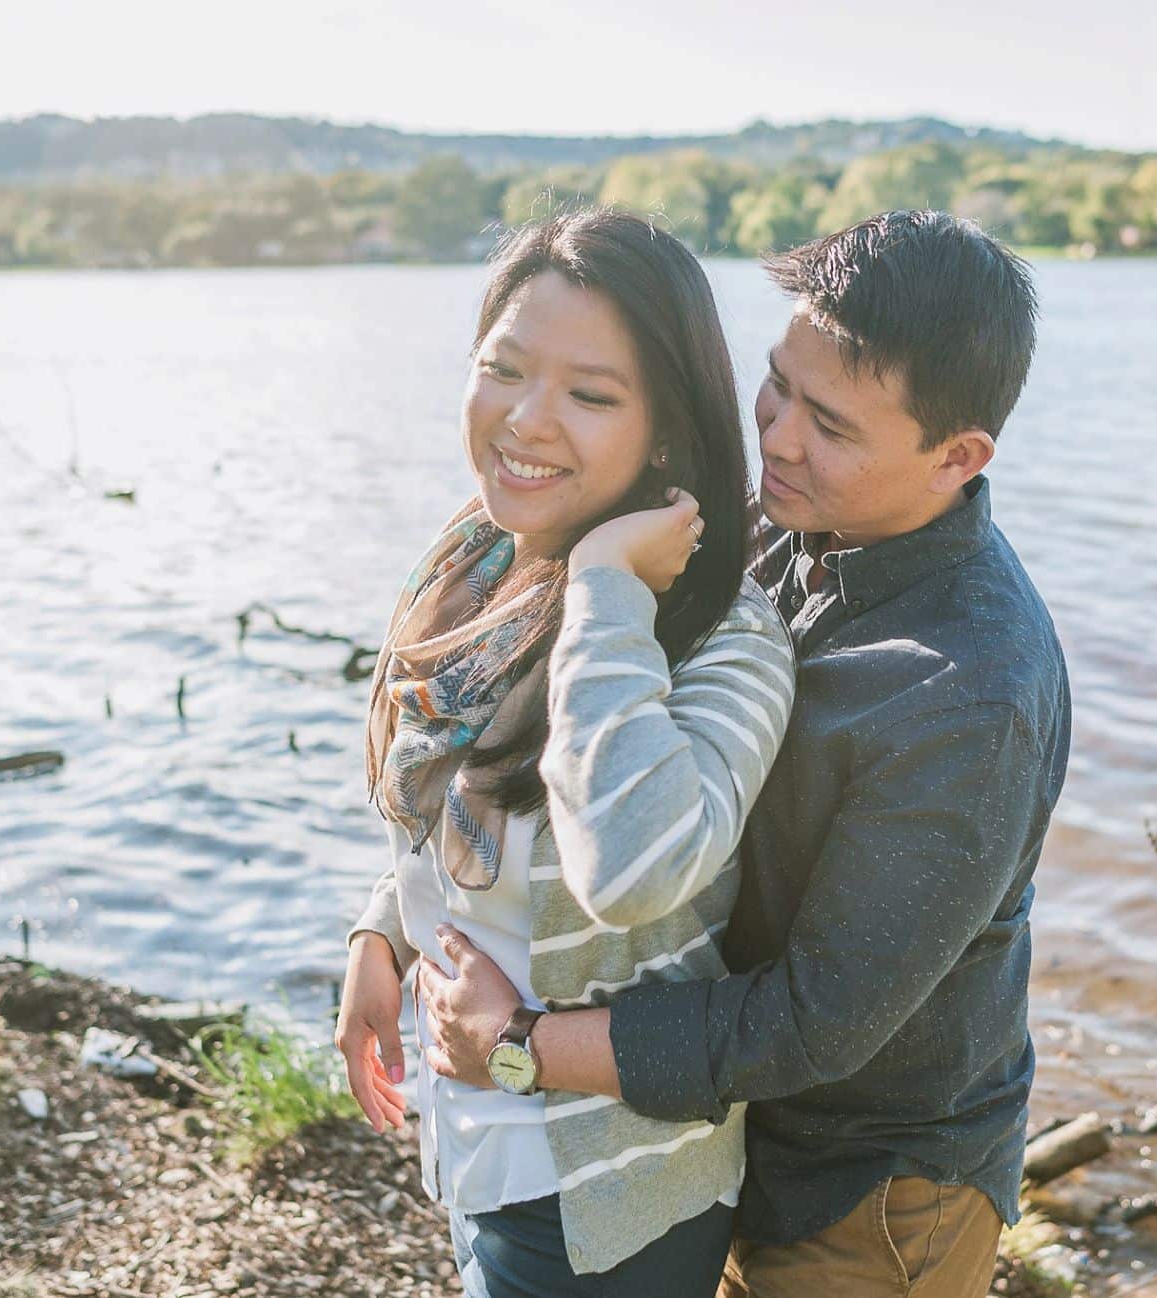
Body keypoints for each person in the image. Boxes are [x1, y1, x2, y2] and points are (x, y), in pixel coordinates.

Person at [416, 209, 1070, 1298]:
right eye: (778, 385)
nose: (777, 437)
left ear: (959, 457)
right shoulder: (780, 524)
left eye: (833, 423)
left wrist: (522, 1042)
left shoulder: (972, 692)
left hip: (872, 1186)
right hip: (718, 1132)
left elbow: (811, 1024)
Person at [334, 208, 797, 1297]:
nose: (527, 420)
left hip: (606, 1197)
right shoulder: (483, 558)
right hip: (478, 1146)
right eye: (504, 369)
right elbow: (463, 805)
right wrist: (381, 938)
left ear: (670, 431)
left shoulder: (725, 637)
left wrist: (604, 587)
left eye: (591, 395)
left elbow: (632, 867)